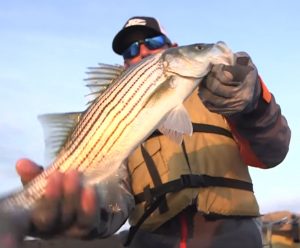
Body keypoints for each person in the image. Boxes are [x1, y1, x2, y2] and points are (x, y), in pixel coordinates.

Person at [13, 16, 291, 248]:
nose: (142, 51)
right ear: (124, 65)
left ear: (173, 47)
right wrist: (80, 216)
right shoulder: (115, 116)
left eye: (153, 42)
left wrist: (253, 105)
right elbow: (114, 207)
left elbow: (272, 153)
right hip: (152, 239)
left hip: (233, 237)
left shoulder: (221, 96)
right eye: (130, 51)